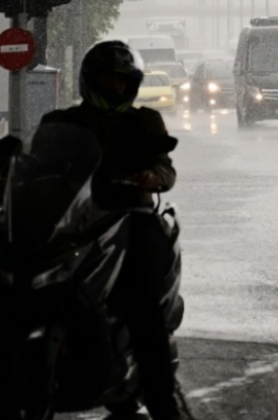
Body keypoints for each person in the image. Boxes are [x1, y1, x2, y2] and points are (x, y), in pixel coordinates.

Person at [39, 41, 182, 420]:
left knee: (143, 308)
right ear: (90, 80)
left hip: (129, 218)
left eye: (122, 81)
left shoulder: (145, 121)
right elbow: (37, 164)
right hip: (73, 222)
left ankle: (163, 404)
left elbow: (165, 168)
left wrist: (153, 177)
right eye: (107, 79)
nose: (115, 88)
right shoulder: (62, 122)